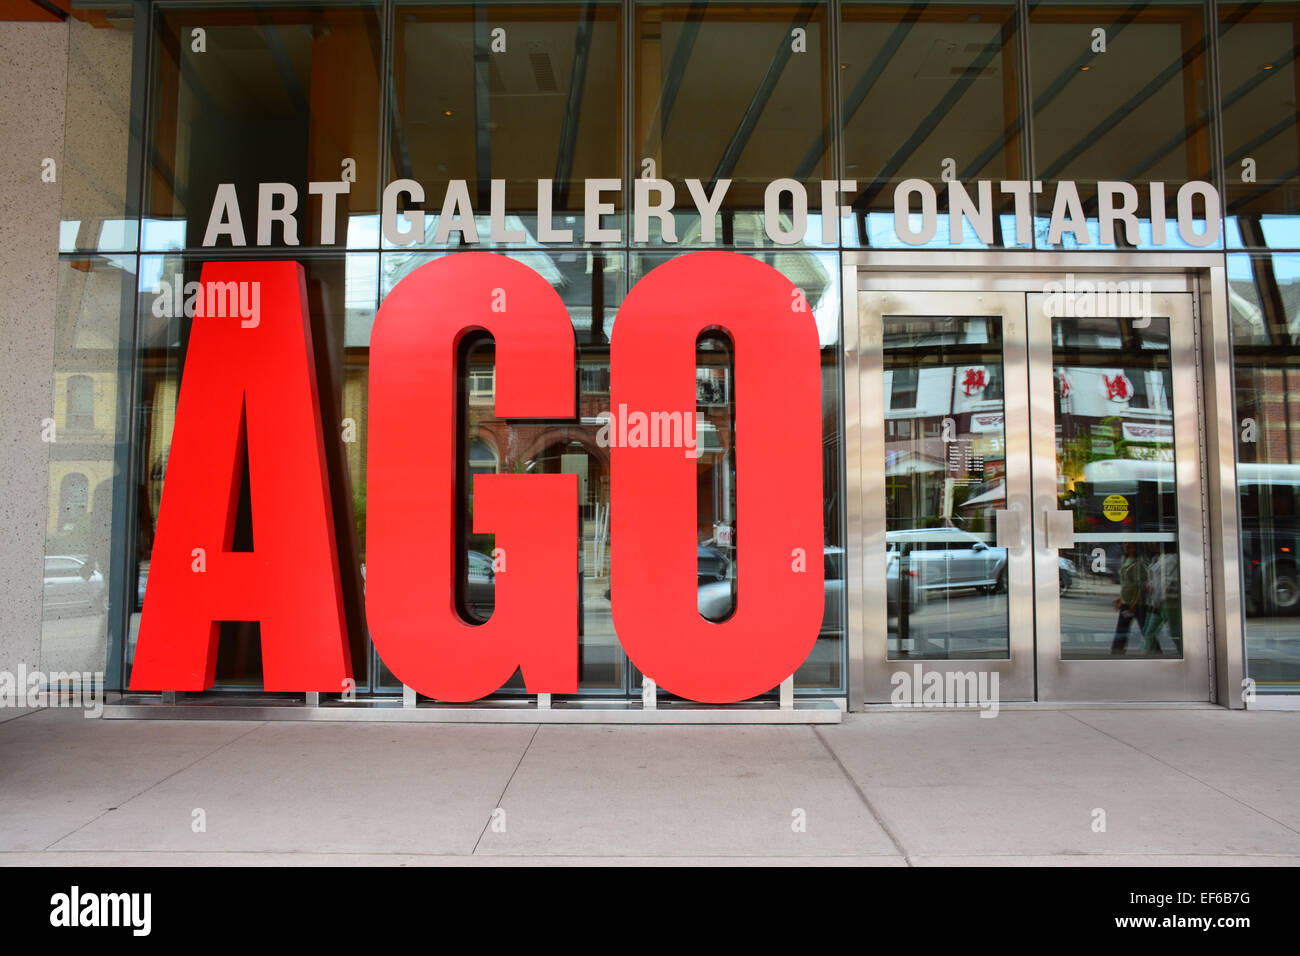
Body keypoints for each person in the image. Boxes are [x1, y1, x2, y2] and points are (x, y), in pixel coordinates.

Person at [1110, 541, 1146, 655]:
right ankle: (1116, 653)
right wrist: (1121, 598)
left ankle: (1155, 651)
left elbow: (1140, 586)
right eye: (1124, 544)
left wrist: (1135, 604)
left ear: (1135, 547)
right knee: (1121, 630)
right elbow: (1126, 583)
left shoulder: (1138, 563)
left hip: (1136, 604)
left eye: (1129, 545)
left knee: (1146, 630)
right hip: (1126, 603)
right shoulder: (1124, 560)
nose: (1126, 547)